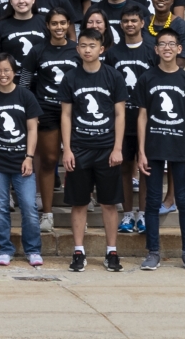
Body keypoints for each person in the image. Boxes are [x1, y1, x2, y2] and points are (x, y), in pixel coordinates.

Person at [59, 25, 127, 272]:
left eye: (92, 46)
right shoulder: (71, 77)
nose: (87, 50)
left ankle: (112, 251)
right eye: (83, 45)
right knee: (79, 202)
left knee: (109, 203)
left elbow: (120, 113)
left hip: (106, 148)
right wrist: (67, 149)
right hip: (80, 148)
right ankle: (79, 251)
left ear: (102, 48)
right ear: (77, 48)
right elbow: (65, 115)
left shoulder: (113, 76)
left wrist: (117, 147)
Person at [135, 28, 185, 271]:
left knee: (184, 200)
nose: (166, 48)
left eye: (171, 44)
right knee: (152, 201)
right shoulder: (147, 78)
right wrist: (141, 151)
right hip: (153, 148)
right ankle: (153, 252)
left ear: (179, 48)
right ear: (156, 49)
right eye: (162, 44)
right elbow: (142, 116)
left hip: (180, 148)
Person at [0, 52, 43, 268]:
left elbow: (33, 128)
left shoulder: (26, 96)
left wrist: (29, 156)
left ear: (14, 72)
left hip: (22, 161)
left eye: (7, 70)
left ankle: (33, 249)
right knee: (0, 208)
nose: (3, 74)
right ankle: (4, 248)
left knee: (29, 207)